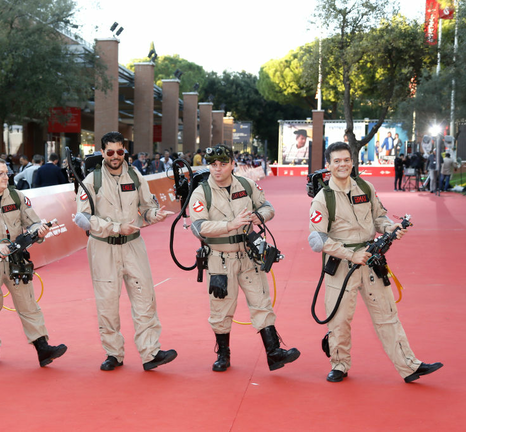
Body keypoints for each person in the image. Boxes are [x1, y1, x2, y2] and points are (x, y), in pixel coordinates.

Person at [307, 142, 442, 383]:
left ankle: (409, 366)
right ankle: (339, 364)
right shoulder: (322, 199)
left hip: (371, 260)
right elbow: (317, 240)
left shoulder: (365, 187)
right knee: (338, 320)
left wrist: (391, 227)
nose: (342, 164)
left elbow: (379, 216)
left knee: (387, 315)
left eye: (346, 160)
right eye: (337, 161)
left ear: (352, 162)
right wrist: (351, 255)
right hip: (341, 265)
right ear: (328, 165)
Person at [189, 144, 300, 373]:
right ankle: (223, 354)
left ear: (232, 164)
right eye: (213, 165)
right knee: (221, 308)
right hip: (220, 259)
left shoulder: (247, 185)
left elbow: (267, 207)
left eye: (222, 164)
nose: (217, 169)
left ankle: (274, 353)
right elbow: (198, 227)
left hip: (249, 256)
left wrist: (259, 216)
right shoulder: (202, 192)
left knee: (261, 303)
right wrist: (230, 225)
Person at [73, 131, 177, 371]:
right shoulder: (92, 180)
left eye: (120, 151)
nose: (115, 156)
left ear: (124, 151)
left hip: (133, 245)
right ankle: (113, 353)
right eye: (110, 152)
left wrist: (154, 215)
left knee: (145, 298)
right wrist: (116, 227)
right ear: (102, 153)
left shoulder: (135, 174)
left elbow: (147, 207)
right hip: (103, 247)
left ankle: (150, 353)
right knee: (107, 303)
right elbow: (83, 218)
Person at [0, 157, 67, 368]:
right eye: (0, 173)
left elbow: (33, 223)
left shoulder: (17, 196)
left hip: (16, 260)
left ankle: (42, 347)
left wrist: (39, 232)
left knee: (28, 304)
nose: (6, 176)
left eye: (6, 173)